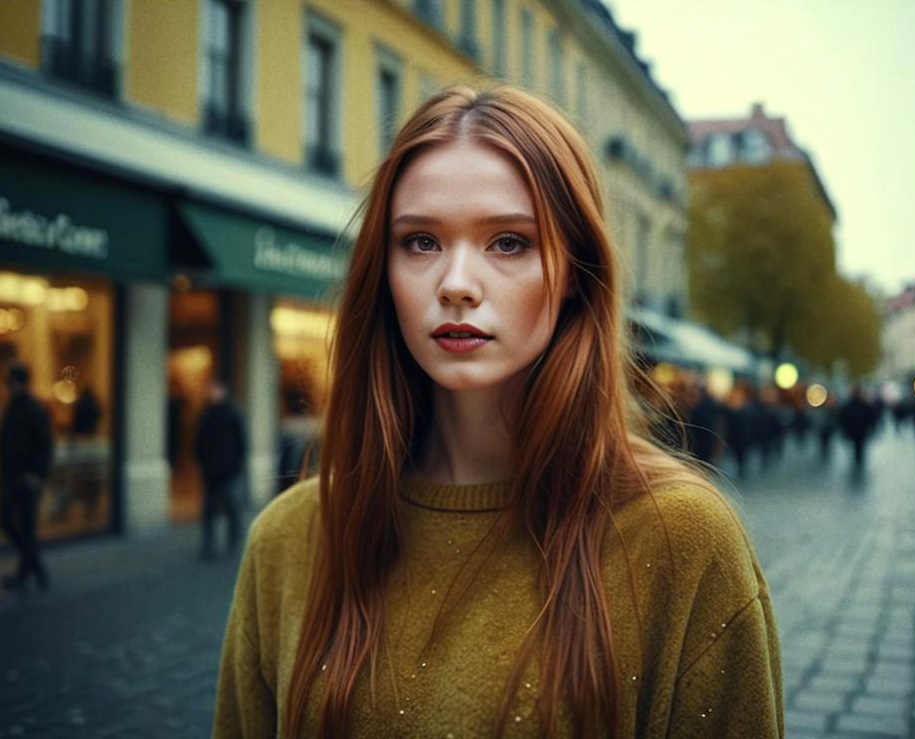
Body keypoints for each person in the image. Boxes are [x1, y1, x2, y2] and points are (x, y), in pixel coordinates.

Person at [213, 86, 782, 738]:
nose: (455, 282)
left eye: (508, 242)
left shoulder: (680, 540)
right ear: (384, 268)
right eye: (420, 241)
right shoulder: (289, 539)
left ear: (574, 270)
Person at [1, 362, 54, 593]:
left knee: (26, 526)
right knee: (9, 521)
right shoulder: (12, 406)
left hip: (27, 478)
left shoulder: (33, 409)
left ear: (21, 382)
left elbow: (46, 445)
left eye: (10, 381)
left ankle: (33, 572)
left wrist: (37, 475)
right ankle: (34, 569)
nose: (7, 386)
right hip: (12, 476)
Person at [195, 379, 246, 561]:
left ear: (224, 391)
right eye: (211, 390)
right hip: (210, 469)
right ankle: (208, 545)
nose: (213, 393)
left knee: (231, 506)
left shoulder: (232, 414)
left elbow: (242, 442)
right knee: (208, 509)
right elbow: (199, 441)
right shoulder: (206, 414)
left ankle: (234, 540)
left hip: (229, 469)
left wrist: (237, 464)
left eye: (216, 390)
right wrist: (202, 461)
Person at [839, 385, 876, 471]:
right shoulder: (863, 405)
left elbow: (843, 418)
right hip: (860, 430)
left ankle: (858, 459)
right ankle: (858, 459)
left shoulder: (849, 405)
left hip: (857, 430)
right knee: (859, 446)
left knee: (858, 445)